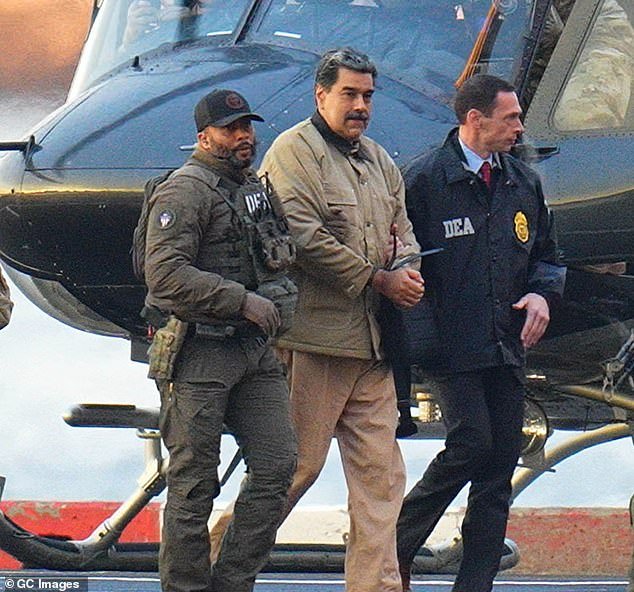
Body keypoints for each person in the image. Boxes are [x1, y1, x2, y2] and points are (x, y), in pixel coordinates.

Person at [260, 46, 423, 592]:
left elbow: (404, 232)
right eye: (349, 94)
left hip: (375, 347)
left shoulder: (378, 159)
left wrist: (406, 271)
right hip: (317, 342)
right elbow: (301, 236)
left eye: (368, 96)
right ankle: (220, 567)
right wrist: (378, 278)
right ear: (321, 94)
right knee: (295, 471)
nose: (360, 107)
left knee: (382, 480)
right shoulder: (292, 153)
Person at [396, 74, 566, 592]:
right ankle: (392, 550)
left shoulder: (522, 181)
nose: (519, 127)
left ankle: (476, 583)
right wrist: (420, 343)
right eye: (510, 117)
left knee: (499, 465)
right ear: (475, 119)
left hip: (506, 344)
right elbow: (401, 264)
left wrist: (542, 294)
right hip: (450, 345)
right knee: (470, 444)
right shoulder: (424, 181)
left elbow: (547, 255)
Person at [143, 88, 297, 592]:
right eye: (231, 129)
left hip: (254, 352)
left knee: (277, 469)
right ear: (203, 137)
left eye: (246, 127)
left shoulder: (252, 188)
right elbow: (164, 276)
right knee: (193, 485)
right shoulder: (184, 192)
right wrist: (240, 300)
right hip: (200, 353)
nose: (243, 136)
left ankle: (232, 582)